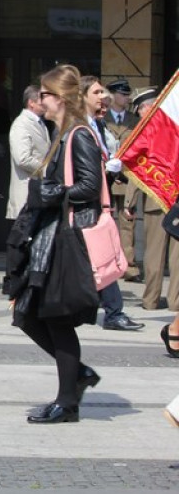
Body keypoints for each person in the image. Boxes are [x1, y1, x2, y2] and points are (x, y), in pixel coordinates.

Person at [8, 64, 102, 424]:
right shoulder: (63, 132)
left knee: (54, 318)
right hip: (53, 236)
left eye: (45, 93)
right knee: (30, 314)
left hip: (67, 239)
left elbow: (90, 187)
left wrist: (56, 192)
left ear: (59, 98)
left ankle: (68, 399)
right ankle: (75, 378)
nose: (40, 99)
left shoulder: (78, 134)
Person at [79, 75, 144, 332]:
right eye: (97, 93)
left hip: (97, 198)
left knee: (95, 258)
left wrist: (110, 168)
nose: (103, 97)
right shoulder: (80, 128)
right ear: (83, 97)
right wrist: (105, 169)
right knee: (99, 258)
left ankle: (105, 309)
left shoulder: (97, 126)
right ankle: (114, 312)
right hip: (85, 203)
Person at [122, 88, 179, 311]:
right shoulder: (174, 127)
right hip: (175, 200)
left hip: (157, 201)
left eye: (140, 110)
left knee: (154, 256)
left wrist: (129, 203)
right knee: (176, 257)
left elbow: (136, 171)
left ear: (147, 107)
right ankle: (176, 302)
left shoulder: (146, 132)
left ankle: (151, 300)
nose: (140, 114)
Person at [104, 78, 141, 282]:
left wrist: (123, 173)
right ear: (112, 95)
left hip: (127, 177)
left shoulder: (133, 120)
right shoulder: (103, 118)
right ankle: (109, 263)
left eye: (127, 95)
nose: (126, 98)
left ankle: (129, 265)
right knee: (106, 222)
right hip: (107, 177)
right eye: (122, 94)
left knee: (127, 222)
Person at [7, 85, 50, 220]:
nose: (46, 102)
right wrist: (47, 170)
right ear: (31, 103)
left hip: (37, 192)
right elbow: (23, 159)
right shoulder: (21, 124)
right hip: (26, 193)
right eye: (42, 99)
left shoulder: (40, 123)